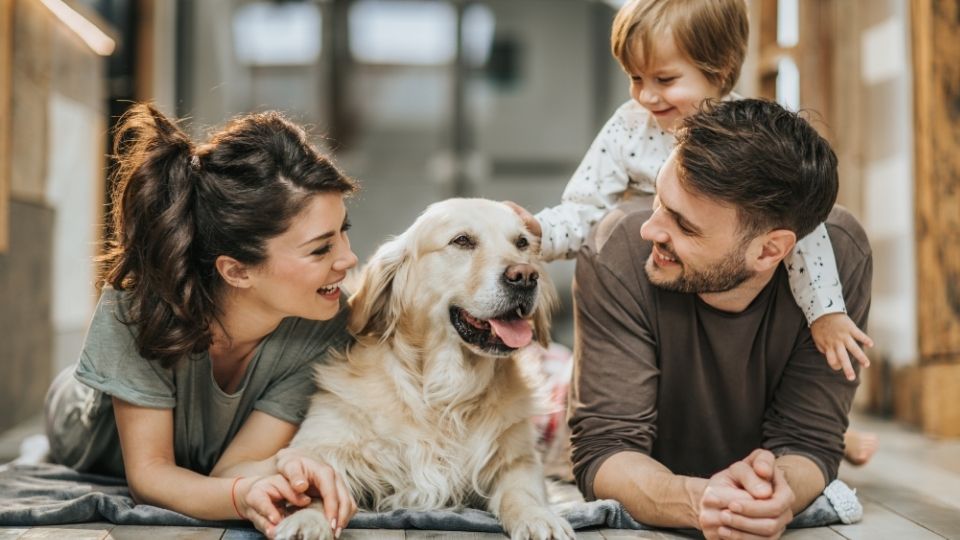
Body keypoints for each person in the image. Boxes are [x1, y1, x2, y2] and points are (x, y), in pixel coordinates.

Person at [507, 0, 876, 465]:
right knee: (555, 388)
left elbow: (803, 230)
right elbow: (584, 207)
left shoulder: (751, 142)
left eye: (664, 80)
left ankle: (833, 436)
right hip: (658, 299)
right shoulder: (629, 129)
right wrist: (540, 232)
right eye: (635, 78)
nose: (645, 96)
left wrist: (826, 312)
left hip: (723, 299)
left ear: (719, 71)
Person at [44, 104, 359, 537]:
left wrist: (287, 467)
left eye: (345, 229)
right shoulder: (136, 310)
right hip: (84, 426)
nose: (349, 258)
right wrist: (241, 495)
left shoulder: (325, 325)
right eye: (320, 248)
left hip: (205, 450)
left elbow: (230, 470)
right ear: (237, 270)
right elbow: (149, 476)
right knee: (65, 403)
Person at [568, 98, 872, 538]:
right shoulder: (615, 251)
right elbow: (604, 448)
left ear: (770, 250)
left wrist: (775, 492)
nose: (649, 230)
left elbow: (809, 442)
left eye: (683, 225)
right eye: (657, 198)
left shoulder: (840, 258)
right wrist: (698, 502)